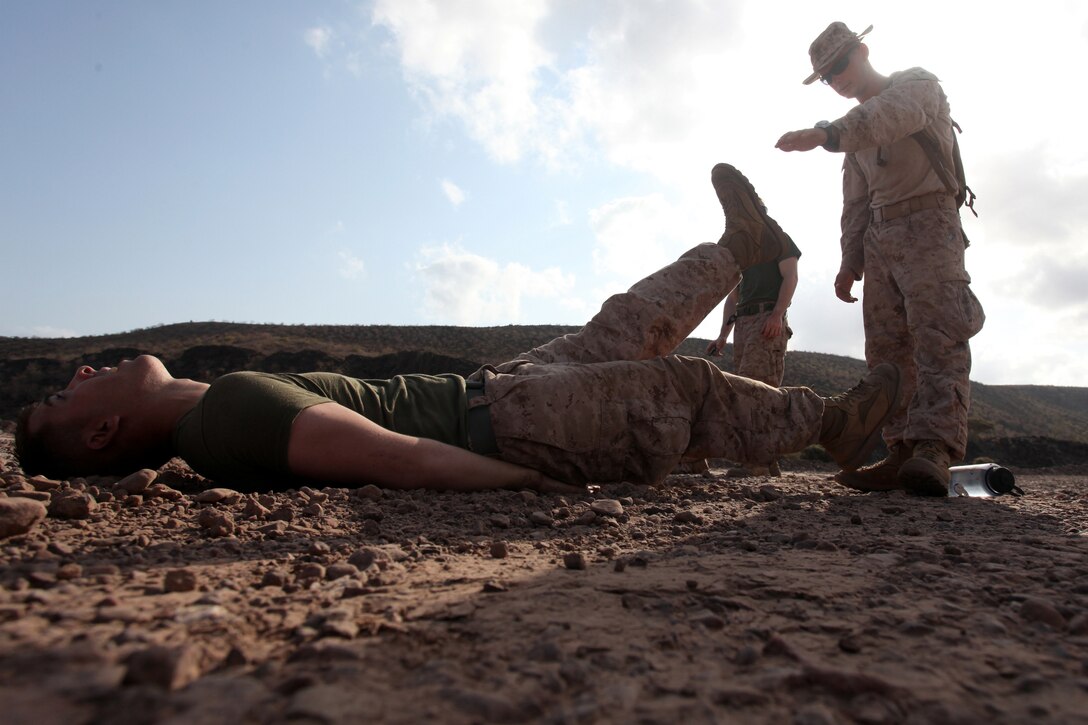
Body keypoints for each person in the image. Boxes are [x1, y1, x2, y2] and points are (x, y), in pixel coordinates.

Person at [15, 165, 902, 494]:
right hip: (503, 423)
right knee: (680, 387)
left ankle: (737, 251)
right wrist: (529, 480)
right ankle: (832, 427)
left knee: (619, 328)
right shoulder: (230, 410)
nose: (83, 369)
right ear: (100, 430)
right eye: (69, 392)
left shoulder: (216, 416)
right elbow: (390, 458)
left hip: (493, 391)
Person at [775, 22, 985, 496]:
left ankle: (934, 447)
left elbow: (890, 117)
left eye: (839, 66)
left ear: (863, 51)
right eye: (826, 76)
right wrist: (850, 260)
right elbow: (856, 200)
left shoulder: (917, 87)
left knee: (938, 334)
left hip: (930, 225)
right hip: (880, 236)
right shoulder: (854, 133)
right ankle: (901, 450)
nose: (836, 79)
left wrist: (825, 133)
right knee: (888, 352)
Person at [705, 164, 802, 476]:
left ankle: (757, 461)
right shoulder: (743, 250)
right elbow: (733, 296)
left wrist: (777, 314)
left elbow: (791, 277)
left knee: (758, 389)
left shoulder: (779, 239)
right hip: (744, 323)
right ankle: (764, 459)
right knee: (747, 387)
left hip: (766, 318)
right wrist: (723, 335)